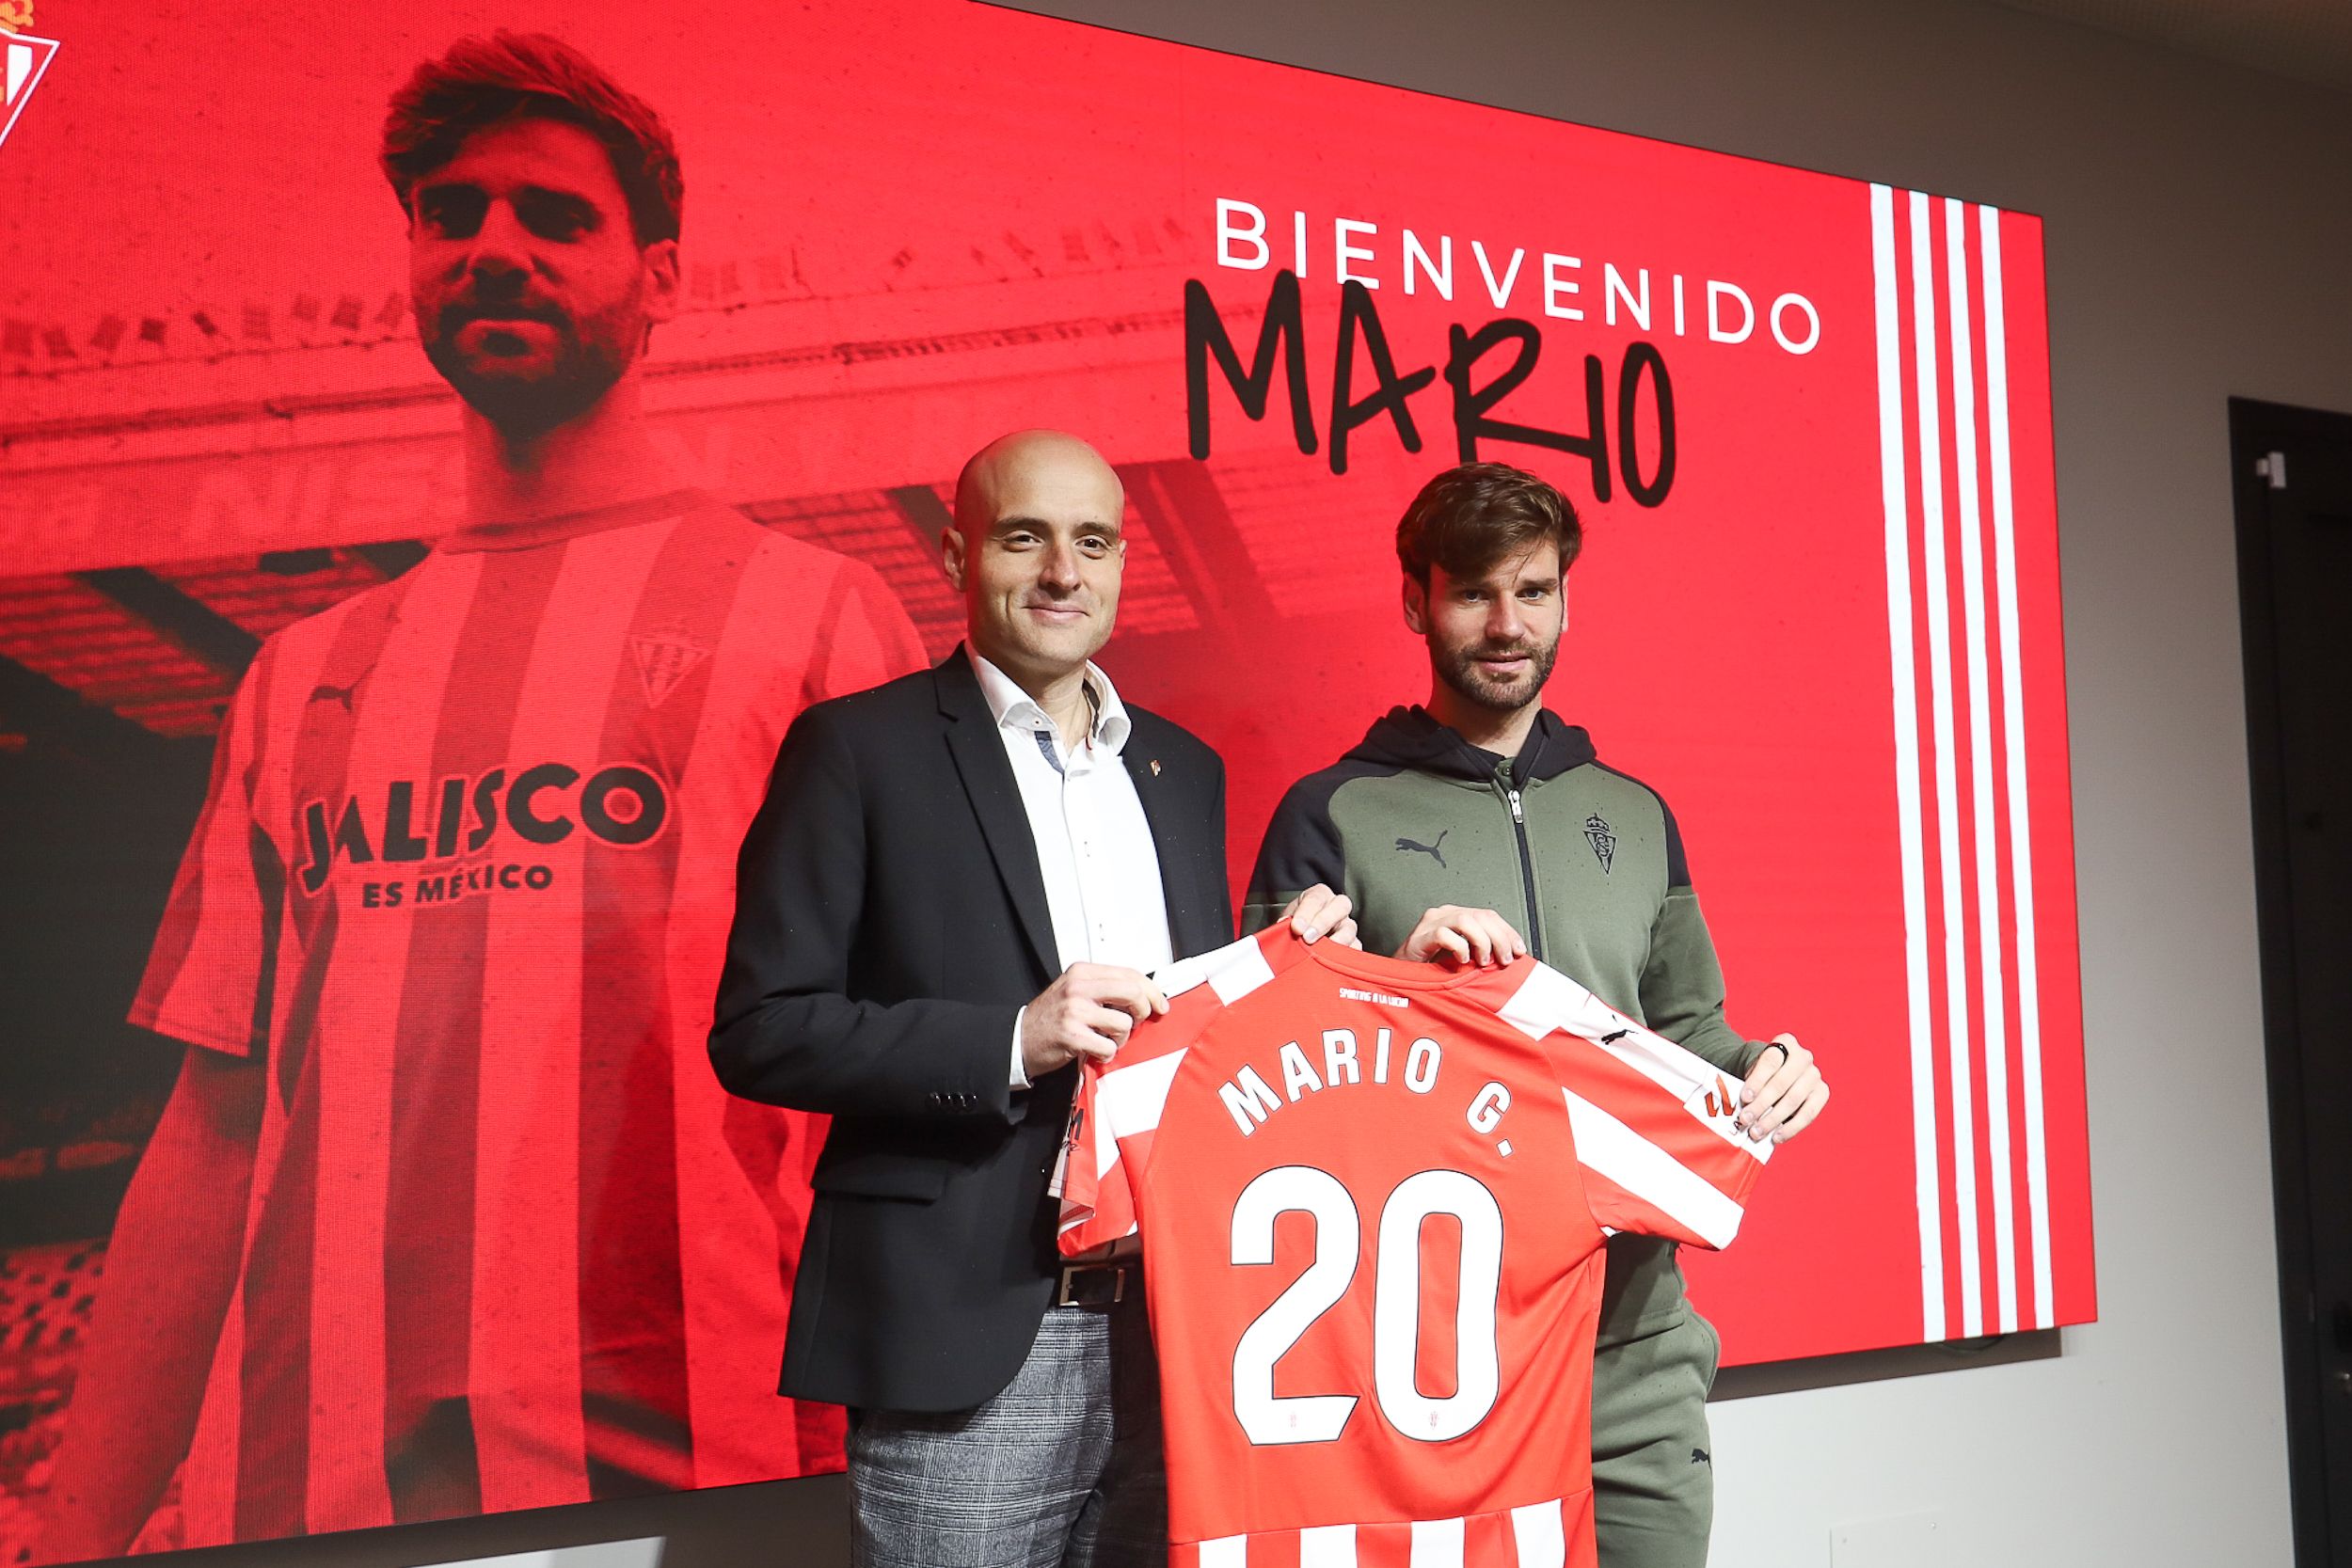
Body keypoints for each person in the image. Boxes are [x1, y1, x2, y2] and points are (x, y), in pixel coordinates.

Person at [29, 33, 923, 1560]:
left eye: (554, 218)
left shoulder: (819, 622)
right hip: (305, 1501)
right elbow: (213, 1131)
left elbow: (914, 1095)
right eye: (453, 215)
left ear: (660, 275)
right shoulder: (304, 673)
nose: (494, 248)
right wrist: (76, 1528)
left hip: (702, 1482)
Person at [709, 428, 1352, 1568]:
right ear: (959, 556)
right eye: (1026, 536)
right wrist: (1013, 1036)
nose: (1064, 571)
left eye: (1092, 541)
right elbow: (763, 1030)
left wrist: (1299, 959)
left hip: (1175, 1321)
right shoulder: (858, 748)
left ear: (1119, 566)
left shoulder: (1181, 769)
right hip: (969, 1324)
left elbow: (1187, 1029)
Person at [1243, 460, 1829, 1568]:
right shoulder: (1331, 811)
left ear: (1566, 596)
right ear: (1416, 601)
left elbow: (1683, 1031)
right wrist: (1390, 976)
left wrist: (1766, 1066)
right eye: (1473, 592)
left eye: (1534, 590)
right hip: (1428, 1368)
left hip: (1633, 1357)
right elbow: (1267, 1083)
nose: (1507, 623)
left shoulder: (1635, 812)